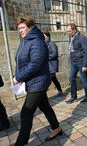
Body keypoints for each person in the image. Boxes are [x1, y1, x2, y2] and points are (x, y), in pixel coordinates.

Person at [14, 16, 62, 146]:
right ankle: (57, 128)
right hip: (31, 81)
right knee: (45, 106)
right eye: (19, 28)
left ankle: (20, 143)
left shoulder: (37, 41)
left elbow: (35, 63)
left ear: (30, 27)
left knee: (26, 112)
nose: (20, 30)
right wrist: (18, 75)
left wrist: (18, 77)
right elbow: (21, 61)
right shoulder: (25, 41)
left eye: (23, 27)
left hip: (39, 82)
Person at [65, 23, 87, 103]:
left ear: (74, 30)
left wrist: (84, 65)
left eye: (69, 31)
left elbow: (86, 52)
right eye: (67, 31)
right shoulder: (71, 37)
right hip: (74, 62)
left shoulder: (81, 38)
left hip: (81, 62)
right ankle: (74, 96)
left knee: (84, 80)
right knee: (71, 78)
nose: (68, 33)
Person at [43, 31, 62, 96]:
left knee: (48, 80)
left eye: (44, 36)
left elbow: (54, 54)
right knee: (54, 79)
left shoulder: (52, 44)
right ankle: (60, 90)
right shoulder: (44, 44)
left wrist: (46, 57)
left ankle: (42, 94)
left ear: (47, 37)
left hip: (52, 65)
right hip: (47, 65)